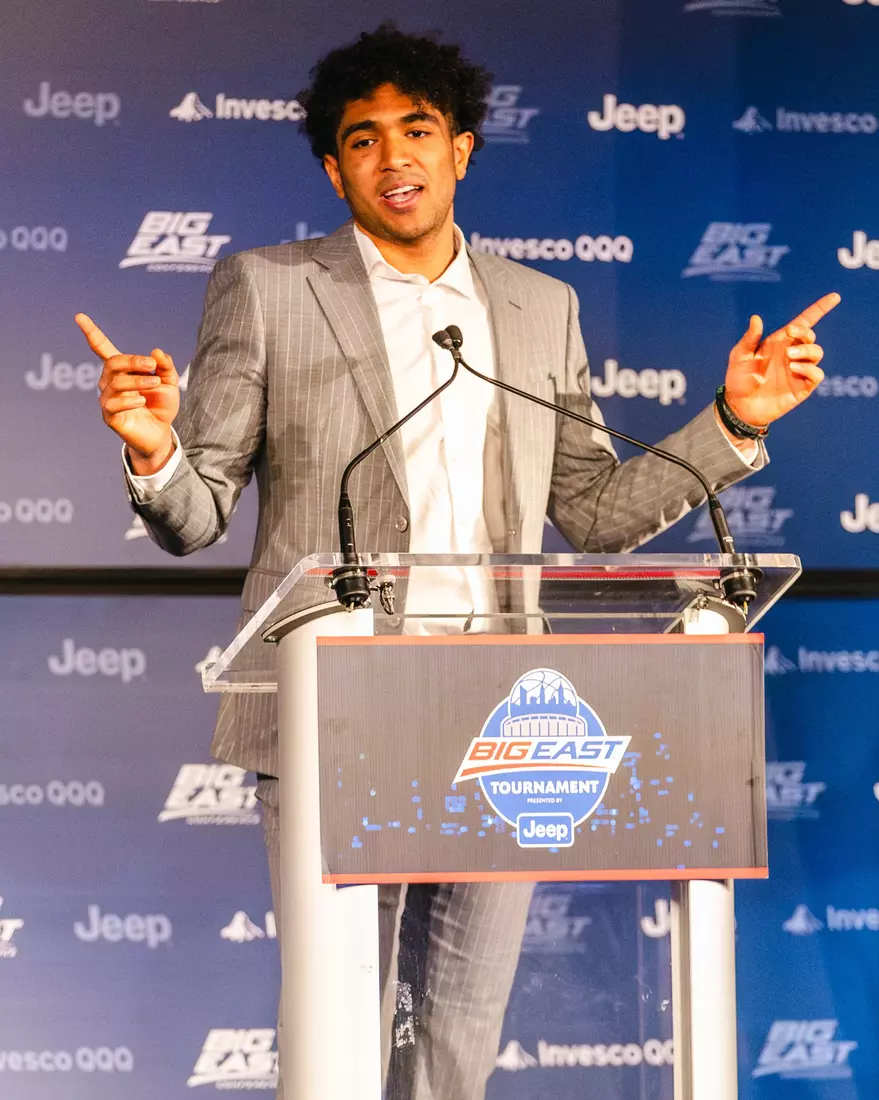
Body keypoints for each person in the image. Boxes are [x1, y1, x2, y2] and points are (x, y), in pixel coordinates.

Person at [75, 24, 838, 1100]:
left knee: (456, 1044)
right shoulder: (268, 288)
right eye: (364, 139)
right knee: (339, 1027)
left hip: (509, 713)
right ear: (334, 167)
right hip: (331, 703)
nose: (396, 157)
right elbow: (196, 515)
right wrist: (155, 449)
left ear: (463, 148)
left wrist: (729, 419)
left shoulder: (538, 306)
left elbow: (596, 513)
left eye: (418, 131)